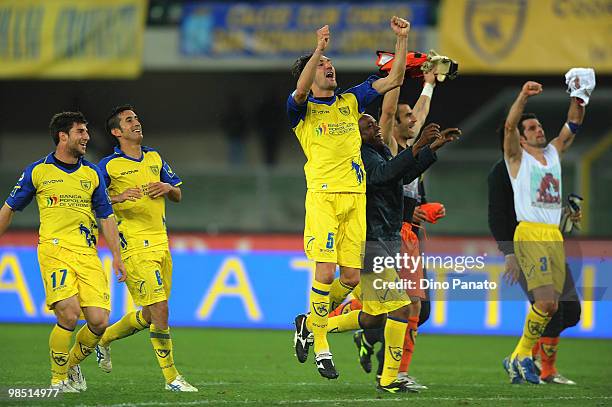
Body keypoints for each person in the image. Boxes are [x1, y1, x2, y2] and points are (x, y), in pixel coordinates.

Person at [288, 17, 411, 380]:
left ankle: (308, 323)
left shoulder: (351, 99)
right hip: (324, 198)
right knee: (324, 272)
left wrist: (402, 40)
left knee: (353, 277)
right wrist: (319, 50)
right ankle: (322, 349)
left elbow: (395, 79)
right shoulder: (301, 109)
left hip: (355, 198)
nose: (329, 69)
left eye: (330, 64)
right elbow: (297, 91)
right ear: (310, 75)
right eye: (322, 66)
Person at [0, 111, 126, 392]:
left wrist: (117, 255)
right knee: (68, 314)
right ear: (63, 136)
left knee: (99, 321)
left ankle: (71, 365)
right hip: (54, 250)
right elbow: (8, 210)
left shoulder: (92, 173)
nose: (87, 137)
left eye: (86, 132)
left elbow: (106, 216)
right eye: (81, 132)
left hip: (87, 253)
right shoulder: (38, 171)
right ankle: (58, 380)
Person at [95, 105, 197, 392]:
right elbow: (94, 202)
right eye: (129, 120)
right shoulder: (107, 166)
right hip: (135, 247)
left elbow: (178, 194)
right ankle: (172, 378)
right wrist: (118, 196)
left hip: (161, 244)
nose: (137, 123)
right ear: (117, 132)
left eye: (137, 118)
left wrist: (167, 188)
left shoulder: (154, 156)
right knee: (161, 309)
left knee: (152, 314)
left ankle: (103, 339)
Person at [501, 70, 593, 384]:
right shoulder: (516, 158)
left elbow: (574, 125)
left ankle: (518, 357)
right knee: (545, 302)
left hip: (553, 235)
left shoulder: (553, 152)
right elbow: (510, 125)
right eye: (531, 128)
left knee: (553, 306)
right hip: (529, 233)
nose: (538, 130)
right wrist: (523, 96)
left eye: (539, 126)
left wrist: (579, 97)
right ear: (522, 137)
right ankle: (521, 356)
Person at [354, 74, 443, 390]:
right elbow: (389, 112)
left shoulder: (399, 153)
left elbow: (410, 179)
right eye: (407, 116)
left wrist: (423, 209)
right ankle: (391, 373)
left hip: (405, 235)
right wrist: (398, 75)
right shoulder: (387, 147)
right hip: (387, 235)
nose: (413, 119)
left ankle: (327, 326)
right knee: (404, 306)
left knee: (407, 308)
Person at [488, 129, 581, 385]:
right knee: (549, 306)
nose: (539, 132)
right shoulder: (501, 172)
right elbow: (497, 216)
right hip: (525, 245)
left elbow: (542, 203)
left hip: (551, 240)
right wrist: (509, 253)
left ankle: (524, 355)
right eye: (528, 129)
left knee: (571, 311)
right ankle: (544, 368)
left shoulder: (541, 165)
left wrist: (565, 213)